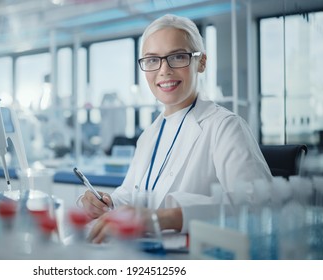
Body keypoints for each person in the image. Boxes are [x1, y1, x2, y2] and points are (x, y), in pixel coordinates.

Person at [80, 14, 273, 243]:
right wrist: (107, 203)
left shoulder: (225, 127)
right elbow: (133, 194)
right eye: (152, 60)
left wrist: (165, 217)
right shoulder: (150, 135)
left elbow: (260, 203)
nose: (164, 70)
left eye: (178, 56)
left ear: (201, 62)